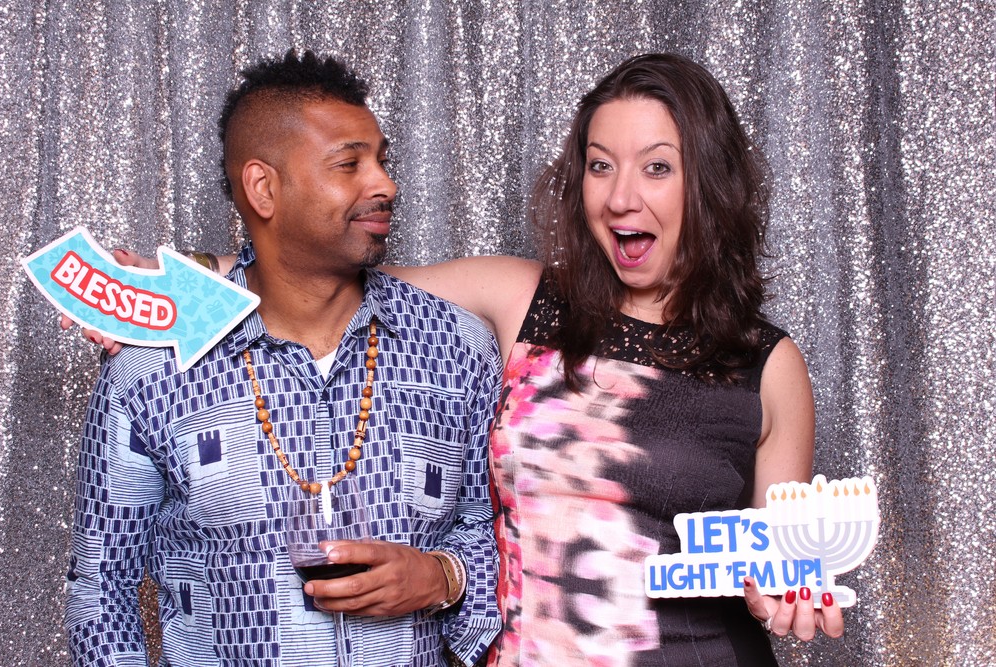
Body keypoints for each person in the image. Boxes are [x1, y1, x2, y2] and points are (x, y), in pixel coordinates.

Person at [75, 53, 845, 664]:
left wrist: (786, 590)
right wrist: (175, 289)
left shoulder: (769, 367)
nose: (619, 197)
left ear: (708, 182)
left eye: (657, 166)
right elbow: (319, 278)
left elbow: (777, 563)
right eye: (600, 164)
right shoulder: (522, 302)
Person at [64, 50, 502, 667]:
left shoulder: (456, 346)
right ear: (263, 188)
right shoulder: (152, 368)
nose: (385, 185)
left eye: (383, 161)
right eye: (350, 163)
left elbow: (492, 529)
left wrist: (443, 577)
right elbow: (100, 589)